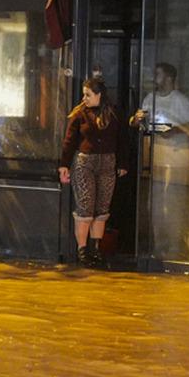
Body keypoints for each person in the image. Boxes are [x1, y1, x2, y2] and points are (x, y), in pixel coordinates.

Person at [131, 63, 189, 260]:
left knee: (174, 203)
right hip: (157, 158)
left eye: (158, 74)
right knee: (157, 203)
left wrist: (175, 131)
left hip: (177, 159)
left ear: (169, 78)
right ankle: (159, 244)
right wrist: (137, 120)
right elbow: (140, 121)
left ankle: (176, 243)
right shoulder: (149, 99)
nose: (155, 78)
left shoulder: (181, 101)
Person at [59, 77, 129, 267]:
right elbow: (69, 140)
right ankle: (82, 249)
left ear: (99, 95)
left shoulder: (113, 114)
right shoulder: (80, 113)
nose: (85, 98)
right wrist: (64, 165)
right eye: (84, 94)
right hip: (85, 162)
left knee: (102, 207)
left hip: (107, 161)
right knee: (85, 205)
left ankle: (96, 248)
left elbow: (122, 138)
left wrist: (122, 163)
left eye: (88, 95)